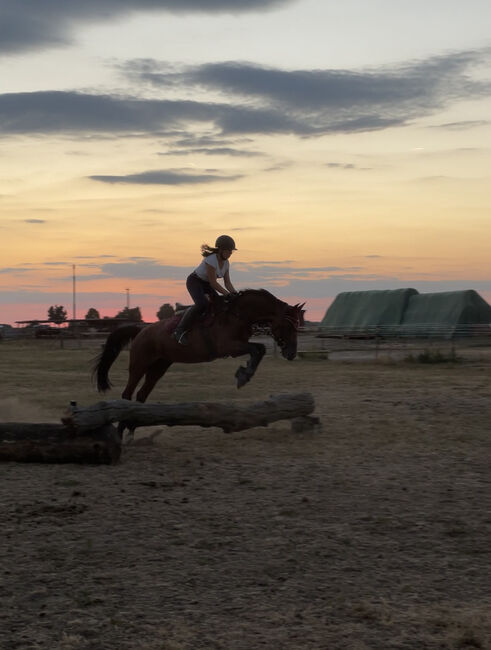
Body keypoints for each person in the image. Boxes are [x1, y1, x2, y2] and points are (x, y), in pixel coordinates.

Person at [173, 234, 237, 344]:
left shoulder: (226, 263)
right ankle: (179, 331)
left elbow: (227, 283)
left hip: (206, 284)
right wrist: (227, 294)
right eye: (229, 251)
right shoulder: (211, 259)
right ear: (221, 250)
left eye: (232, 251)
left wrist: (236, 294)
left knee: (219, 305)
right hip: (195, 281)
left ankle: (184, 309)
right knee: (202, 304)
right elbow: (213, 282)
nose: (231, 253)